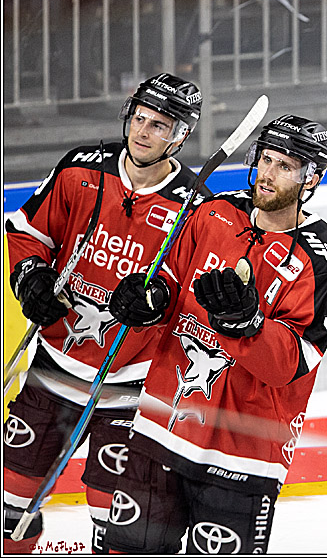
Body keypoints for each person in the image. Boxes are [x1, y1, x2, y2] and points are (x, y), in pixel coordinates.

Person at [102, 114, 327, 553]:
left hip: (244, 453)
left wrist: (249, 327)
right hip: (161, 429)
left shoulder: (320, 255)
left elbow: (295, 362)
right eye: (266, 160)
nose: (268, 175)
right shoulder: (216, 212)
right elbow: (169, 280)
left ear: (313, 178)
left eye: (285, 167)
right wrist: (149, 299)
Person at [3, 73, 206, 553]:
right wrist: (30, 276)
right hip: (56, 367)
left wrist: (157, 302)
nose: (142, 131)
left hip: (134, 384)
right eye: (138, 117)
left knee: (118, 519)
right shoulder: (81, 169)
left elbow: (194, 293)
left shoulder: (197, 207)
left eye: (158, 125)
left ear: (179, 135)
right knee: (10, 499)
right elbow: (28, 233)